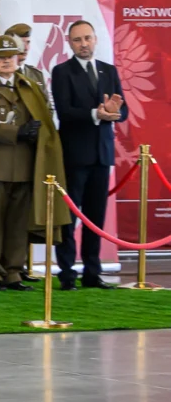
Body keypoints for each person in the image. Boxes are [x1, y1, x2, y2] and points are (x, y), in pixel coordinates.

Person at [0, 35, 59, 291]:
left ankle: (14, 272)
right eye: (1, 57)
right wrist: (16, 132)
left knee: (18, 224)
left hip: (23, 163)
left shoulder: (28, 87)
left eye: (10, 57)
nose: (6, 61)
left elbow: (43, 117)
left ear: (17, 58)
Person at [48, 20, 126, 290]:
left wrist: (113, 112)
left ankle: (93, 273)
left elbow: (122, 111)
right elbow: (65, 111)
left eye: (88, 38)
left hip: (102, 156)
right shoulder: (61, 72)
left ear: (95, 40)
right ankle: (67, 273)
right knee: (69, 218)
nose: (84, 44)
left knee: (96, 217)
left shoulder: (109, 71)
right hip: (74, 155)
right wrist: (97, 113)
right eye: (78, 39)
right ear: (69, 43)